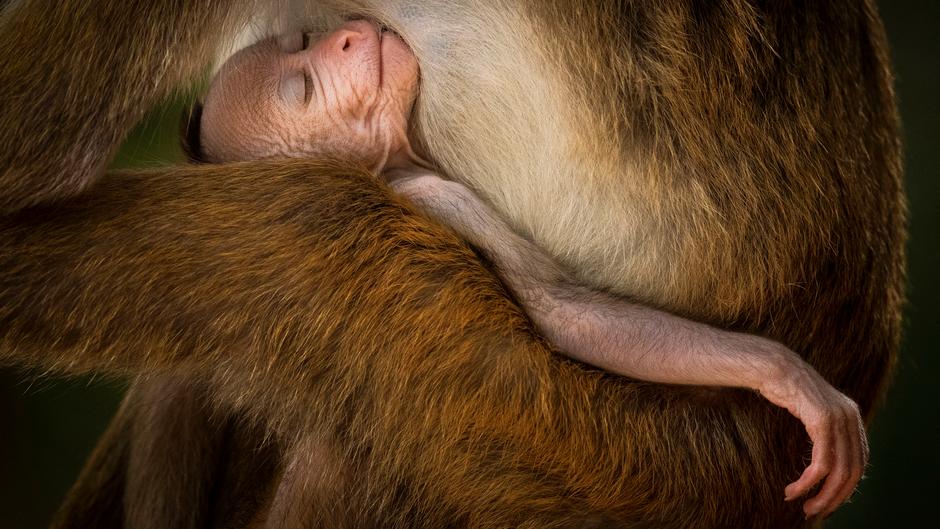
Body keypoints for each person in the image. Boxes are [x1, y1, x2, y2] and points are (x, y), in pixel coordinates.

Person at [184, 19, 865, 504]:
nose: (344, 40)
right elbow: (567, 315)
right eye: (306, 87)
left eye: (300, 42)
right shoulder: (422, 202)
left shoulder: (418, 164)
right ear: (324, 183)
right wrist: (772, 367)